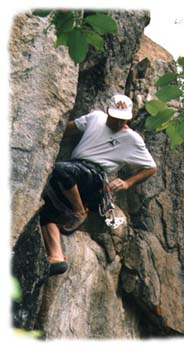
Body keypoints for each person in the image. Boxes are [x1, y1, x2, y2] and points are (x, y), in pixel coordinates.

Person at [40, 94, 157, 276]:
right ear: (108, 112)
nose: (118, 123)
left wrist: (127, 183)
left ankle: (79, 211)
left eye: (123, 120)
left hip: (96, 180)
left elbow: (150, 167)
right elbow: (68, 129)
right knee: (46, 209)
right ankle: (57, 258)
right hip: (75, 177)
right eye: (115, 118)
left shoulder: (132, 139)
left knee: (61, 170)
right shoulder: (95, 118)